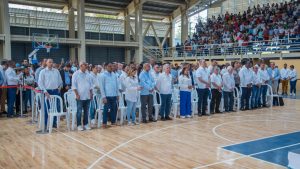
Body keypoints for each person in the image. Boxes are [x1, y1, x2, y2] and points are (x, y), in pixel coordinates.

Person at [38, 59, 63, 129]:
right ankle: (46, 124)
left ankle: (53, 123)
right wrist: (45, 91)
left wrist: (60, 87)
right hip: (47, 92)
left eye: (52, 62)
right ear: (46, 63)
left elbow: (60, 81)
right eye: (49, 62)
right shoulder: (43, 72)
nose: (51, 63)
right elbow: (40, 83)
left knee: (55, 108)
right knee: (46, 109)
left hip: (55, 91)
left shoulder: (56, 71)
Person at [72, 62, 93, 131]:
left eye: (87, 65)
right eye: (85, 65)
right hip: (80, 96)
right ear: (81, 66)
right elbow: (74, 86)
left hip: (87, 96)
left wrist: (91, 93)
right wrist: (77, 94)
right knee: (79, 112)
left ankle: (86, 124)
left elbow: (90, 85)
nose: (86, 66)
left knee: (86, 111)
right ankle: (79, 125)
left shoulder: (88, 74)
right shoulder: (75, 74)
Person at [99, 63, 119, 128]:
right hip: (107, 96)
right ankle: (104, 123)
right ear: (106, 67)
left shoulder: (114, 75)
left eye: (112, 66)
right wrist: (103, 96)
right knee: (106, 110)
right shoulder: (102, 75)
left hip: (114, 95)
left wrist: (117, 94)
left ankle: (113, 122)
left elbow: (117, 85)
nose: (111, 67)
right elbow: (101, 87)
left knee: (114, 109)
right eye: (109, 66)